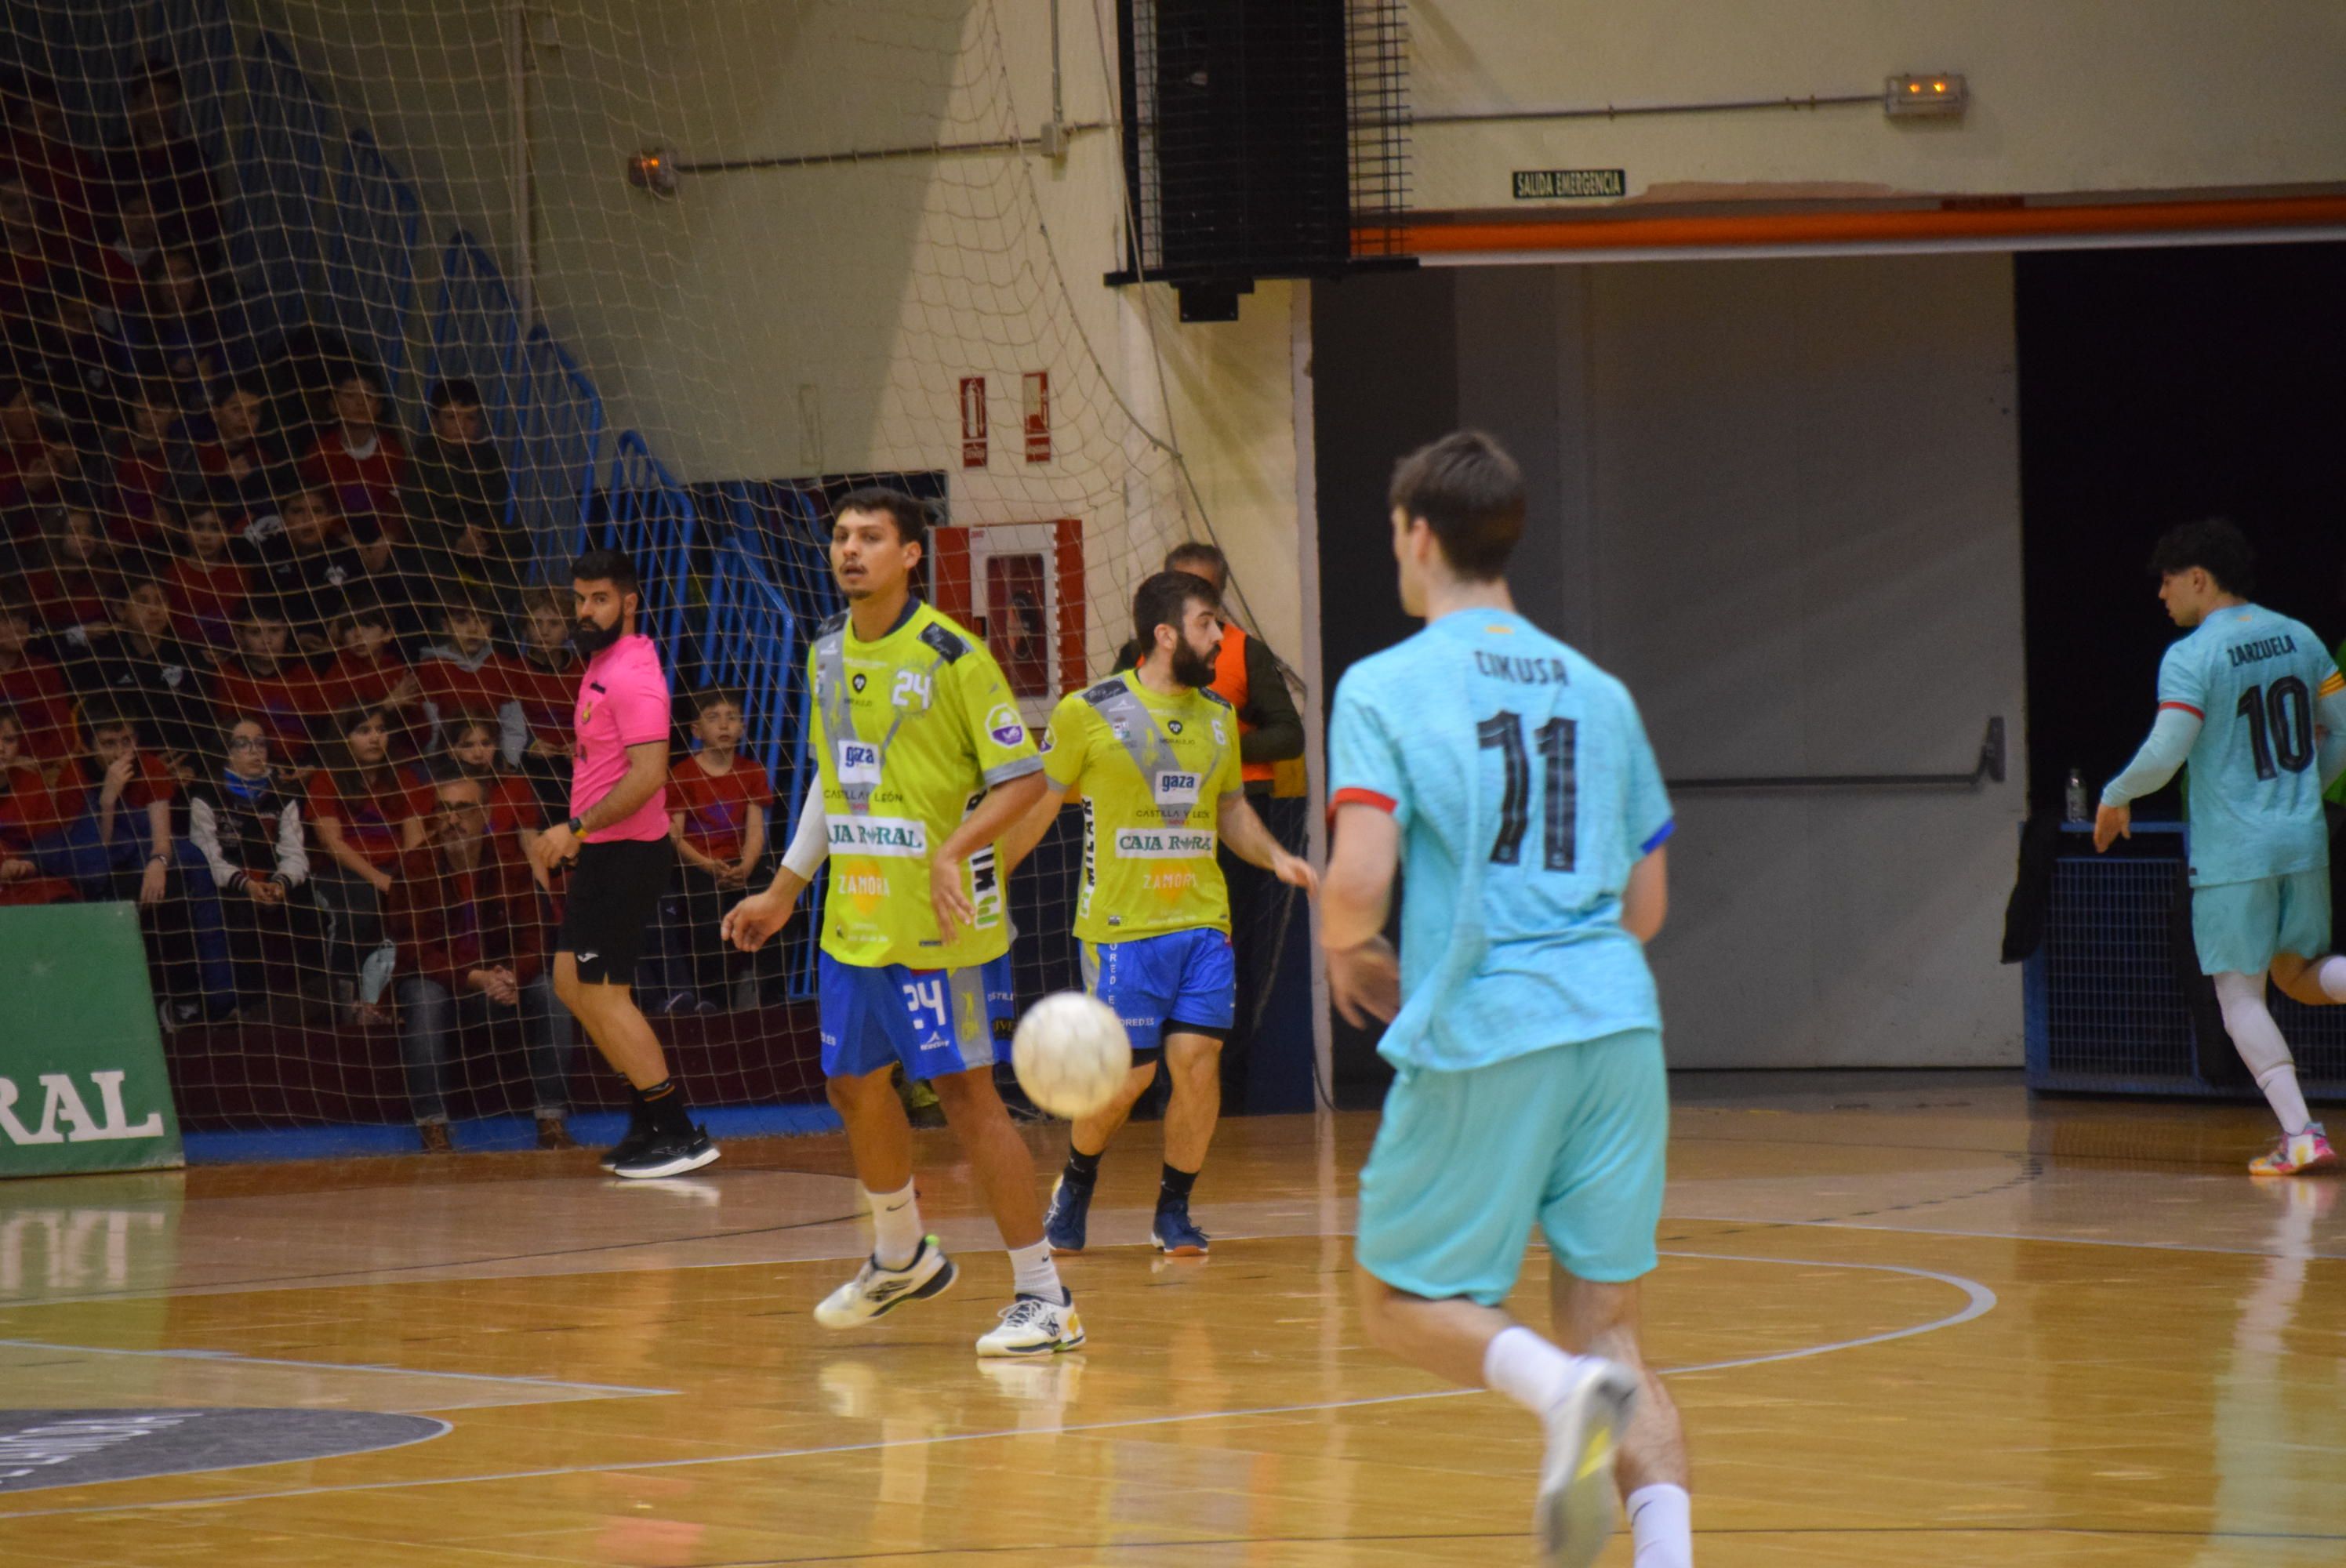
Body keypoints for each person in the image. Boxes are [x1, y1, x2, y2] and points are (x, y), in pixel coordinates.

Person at [1320, 431, 1687, 1568]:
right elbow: (1649, 902)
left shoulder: (1384, 685)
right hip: (1619, 1025)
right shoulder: (1600, 689)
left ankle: (1558, 1388)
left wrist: (1348, 943)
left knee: (1395, 1300)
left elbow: (1362, 880)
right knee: (1616, 1329)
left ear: (1417, 535)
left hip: (1492, 1025)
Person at [723, 487, 1077, 1357]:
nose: (851, 549)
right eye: (841, 536)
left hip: (938, 922)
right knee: (851, 1084)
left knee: (965, 1094)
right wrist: (784, 888)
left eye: (870, 537)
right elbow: (829, 779)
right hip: (855, 916)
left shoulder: (954, 655)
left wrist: (955, 849)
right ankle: (900, 1253)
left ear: (910, 554)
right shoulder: (825, 652)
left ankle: (1046, 1295)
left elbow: (1022, 778)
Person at [999, 570, 1316, 1258]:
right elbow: (1041, 803)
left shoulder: (1220, 717)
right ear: (1166, 633)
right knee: (1129, 1078)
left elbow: (1230, 810)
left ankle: (1173, 1210)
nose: (1221, 636)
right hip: (1121, 930)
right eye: (1208, 623)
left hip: (1203, 921)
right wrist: (987, 876)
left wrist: (1276, 858)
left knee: (1199, 1064)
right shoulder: (1088, 710)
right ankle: (1076, 1184)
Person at [2094, 518, 2346, 1177]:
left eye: (2168, 581)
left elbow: (2168, 748)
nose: (2162, 595)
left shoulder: (2190, 656)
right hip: (2303, 841)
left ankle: (2299, 1134)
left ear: (2199, 579)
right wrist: (2298, 796)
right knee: (2299, 975)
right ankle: (2299, 1133)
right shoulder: (2301, 636)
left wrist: (2116, 794)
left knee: (2240, 999)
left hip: (2236, 854)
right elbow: (2342, 733)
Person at [528, 548, 717, 1179]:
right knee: (568, 983)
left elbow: (648, 776)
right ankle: (645, 1119)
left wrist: (576, 827)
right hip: (605, 854)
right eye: (579, 598)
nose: (585, 610)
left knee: (603, 994)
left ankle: (678, 1131)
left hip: (627, 854)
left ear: (629, 602)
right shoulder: (602, 663)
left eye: (599, 598)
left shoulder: (635, 674)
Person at [391, 773, 579, 1153]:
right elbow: (413, 950)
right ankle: (433, 1125)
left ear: (486, 813)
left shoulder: (511, 862)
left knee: (551, 992)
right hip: (439, 980)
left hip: (500, 979)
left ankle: (551, 1119)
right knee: (425, 1000)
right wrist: (472, 977)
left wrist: (512, 975)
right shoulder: (414, 866)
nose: (453, 820)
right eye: (443, 811)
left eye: (463, 810)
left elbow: (536, 936)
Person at [39, 704, 234, 1029]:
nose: (121, 751)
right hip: (104, 868)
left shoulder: (152, 765)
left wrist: (157, 863)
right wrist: (107, 798)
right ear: (88, 746)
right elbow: (91, 859)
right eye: (109, 742)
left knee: (185, 875)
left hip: (146, 853)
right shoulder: (73, 777)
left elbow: (162, 836)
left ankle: (212, 1000)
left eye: (127, 740)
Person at [186, 714, 320, 1018]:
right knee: (232, 911)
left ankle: (306, 1002)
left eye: (260, 743)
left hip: (273, 882)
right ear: (226, 751)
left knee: (307, 903)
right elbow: (207, 856)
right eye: (243, 744)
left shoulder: (283, 793)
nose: (255, 750)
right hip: (228, 884)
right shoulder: (206, 794)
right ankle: (234, 1008)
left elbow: (295, 853)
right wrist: (245, 885)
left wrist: (281, 883)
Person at [656, 688, 770, 1014]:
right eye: (713, 718)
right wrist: (708, 865)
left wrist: (746, 868)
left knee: (770, 900)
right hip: (699, 864)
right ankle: (713, 1001)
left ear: (742, 728)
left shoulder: (751, 771)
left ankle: (761, 989)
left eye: (731, 717)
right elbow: (674, 835)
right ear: (695, 730)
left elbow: (755, 831)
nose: (724, 725)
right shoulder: (682, 774)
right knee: (703, 915)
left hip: (739, 863)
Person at [306, 704, 416, 1017]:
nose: (375, 738)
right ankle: (346, 1001)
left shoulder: (403, 777)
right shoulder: (327, 779)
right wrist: (379, 879)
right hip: (340, 871)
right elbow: (332, 844)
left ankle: (392, 1001)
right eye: (364, 731)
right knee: (360, 906)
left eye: (380, 730)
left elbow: (415, 841)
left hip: (395, 869)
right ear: (345, 738)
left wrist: (409, 879)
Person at [58, 578, 216, 769]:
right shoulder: (100, 655)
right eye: (142, 601)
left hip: (179, 766)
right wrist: (146, 767)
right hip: (113, 765)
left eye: (161, 601)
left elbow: (204, 722)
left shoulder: (188, 656)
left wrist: (190, 766)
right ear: (119, 610)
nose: (154, 610)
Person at [406, 379, 518, 598]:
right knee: (423, 553)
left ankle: (496, 619)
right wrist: (456, 542)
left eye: (470, 418)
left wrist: (477, 534)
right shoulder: (423, 458)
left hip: (478, 536)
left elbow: (495, 504)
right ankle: (448, 620)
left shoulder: (487, 456)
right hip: (439, 540)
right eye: (452, 417)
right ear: (435, 422)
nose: (462, 426)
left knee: (518, 539)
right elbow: (416, 518)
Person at [416, 592, 526, 764]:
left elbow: (513, 725)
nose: (473, 630)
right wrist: (441, 761)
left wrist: (508, 761)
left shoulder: (502, 666)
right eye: (462, 621)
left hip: (491, 761)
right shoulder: (432, 667)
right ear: (445, 626)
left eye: (482, 621)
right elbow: (431, 728)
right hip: (446, 763)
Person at [0, 707, 74, 906]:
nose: (1, 748)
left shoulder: (31, 783)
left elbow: (49, 839)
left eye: (9, 740)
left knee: (61, 899)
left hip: (25, 881)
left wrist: (30, 865)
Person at [159, 502, 249, 652]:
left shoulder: (240, 573)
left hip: (230, 653)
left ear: (227, 534)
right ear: (184, 531)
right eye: (198, 527)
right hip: (181, 653)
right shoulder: (171, 573)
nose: (205, 536)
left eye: (215, 528)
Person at [0, 590, 75, 760]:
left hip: (37, 771)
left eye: (24, 619)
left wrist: (36, 764)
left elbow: (63, 733)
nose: (19, 627)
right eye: (7, 619)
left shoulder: (43, 671)